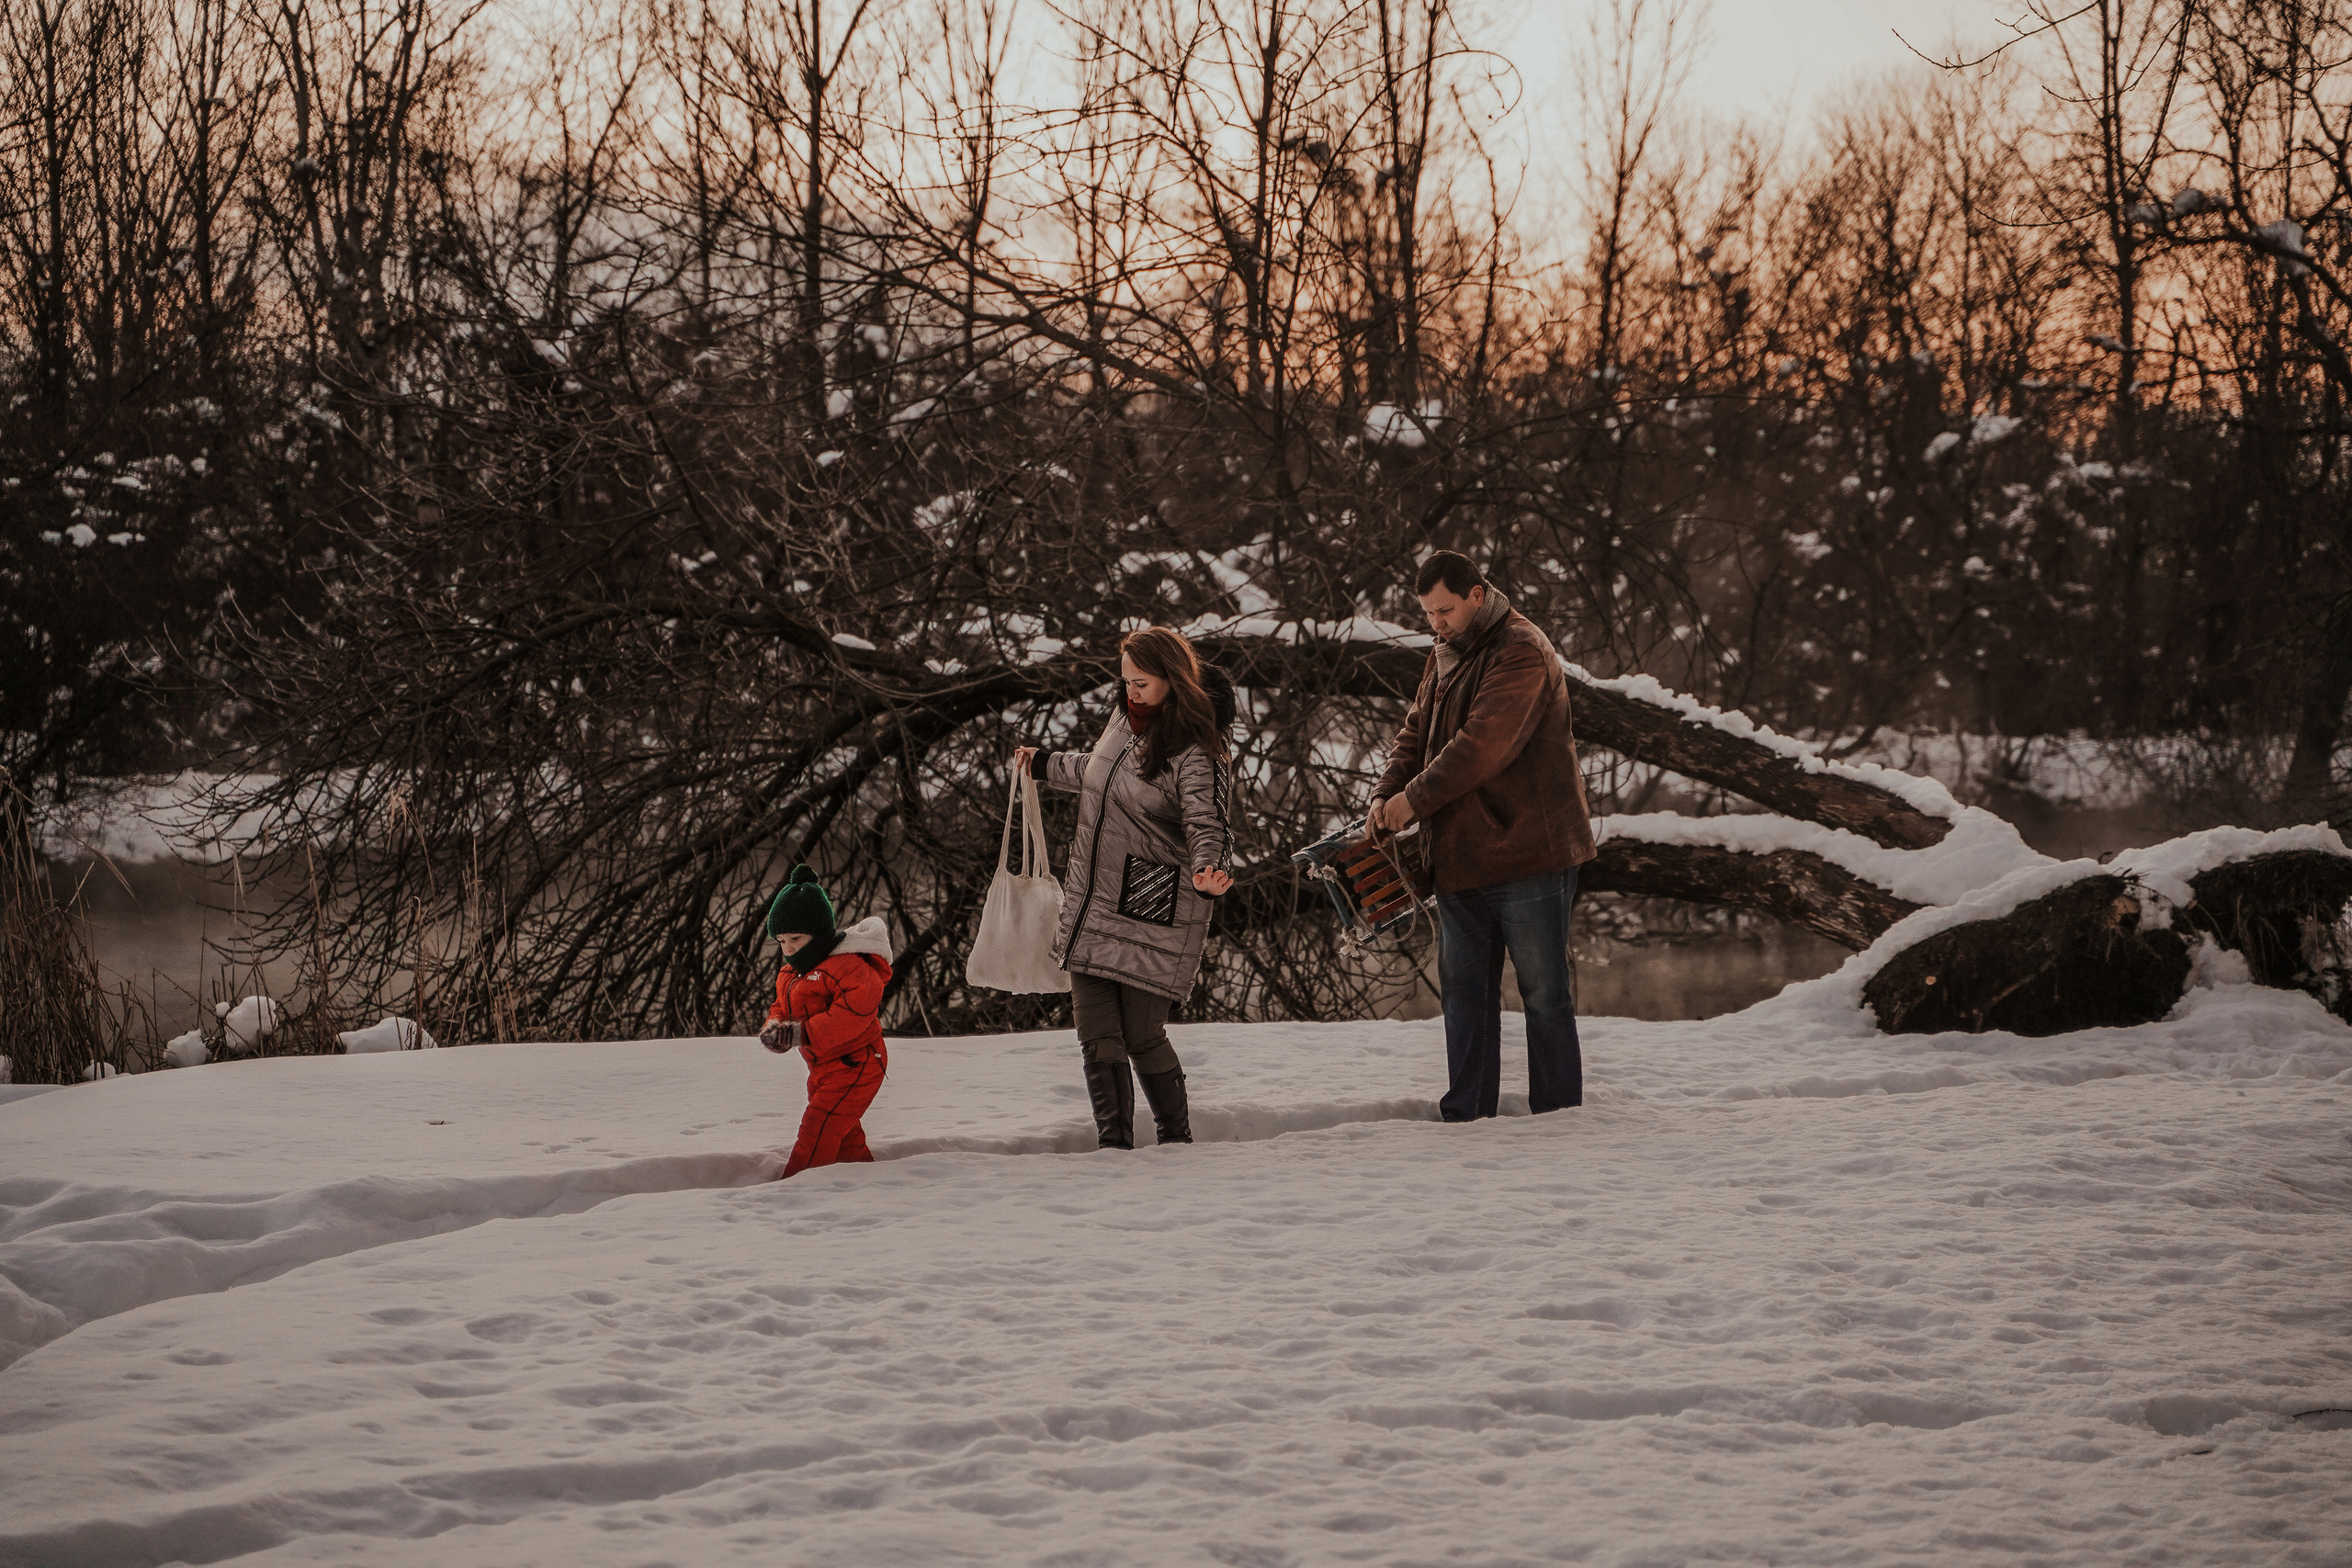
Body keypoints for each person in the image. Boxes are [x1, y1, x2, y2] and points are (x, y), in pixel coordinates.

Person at [1366, 551, 1597, 1120]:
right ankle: (1466, 1118)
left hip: (1530, 853)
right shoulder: (1448, 651)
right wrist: (1383, 793)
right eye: (1427, 614)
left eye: (1444, 610)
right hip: (1460, 855)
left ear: (1476, 594)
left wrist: (1413, 801)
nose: (1435, 623)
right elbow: (1415, 733)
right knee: (1466, 999)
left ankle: (1559, 1117)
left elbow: (1481, 746)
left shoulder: (1521, 649)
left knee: (1544, 997)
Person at [1012, 627, 1238, 1151]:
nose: (1131, 692)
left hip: (1152, 902)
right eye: (1126, 681)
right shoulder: (1121, 720)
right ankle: (1113, 1148)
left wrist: (1210, 871)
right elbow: (1103, 775)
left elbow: (1208, 823)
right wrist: (1045, 765)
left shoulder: (1197, 750)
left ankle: (1175, 1142)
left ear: (1173, 680)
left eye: (1142, 683)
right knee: (1096, 1032)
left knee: (1141, 1033)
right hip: (1093, 900)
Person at [759, 863, 895, 1177]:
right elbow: (780, 1005)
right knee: (842, 1132)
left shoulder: (849, 967)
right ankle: (862, 1179)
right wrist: (775, 1027)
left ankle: (793, 1190)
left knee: (818, 1126)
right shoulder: (792, 973)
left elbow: (853, 1014)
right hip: (822, 1067)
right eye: (781, 940)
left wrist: (800, 1034)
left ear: (819, 933)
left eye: (796, 938)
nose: (788, 948)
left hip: (857, 1063)